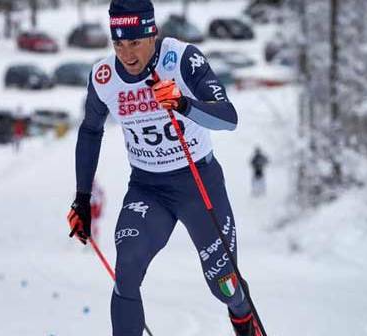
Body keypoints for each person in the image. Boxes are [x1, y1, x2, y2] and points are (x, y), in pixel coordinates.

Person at [65, 1, 262, 335]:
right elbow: (90, 130)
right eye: (118, 43)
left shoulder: (182, 59)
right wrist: (82, 198)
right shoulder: (104, 77)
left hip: (198, 182)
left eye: (135, 43)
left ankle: (244, 319)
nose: (126, 55)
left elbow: (228, 117)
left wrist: (183, 104)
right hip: (148, 188)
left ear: (152, 34)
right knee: (126, 267)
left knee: (224, 283)